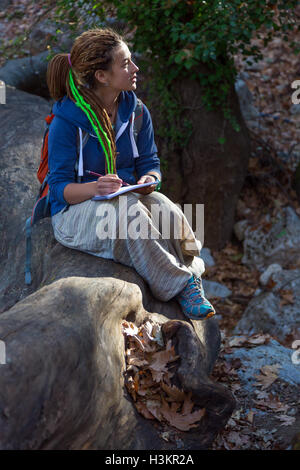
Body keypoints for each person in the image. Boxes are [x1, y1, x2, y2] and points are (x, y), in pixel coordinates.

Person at [46, 27, 215, 320]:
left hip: (128, 196)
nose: (135, 68)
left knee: (164, 207)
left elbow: (150, 162)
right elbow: (59, 188)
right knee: (129, 213)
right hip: (74, 214)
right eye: (125, 64)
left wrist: (150, 179)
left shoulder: (137, 112)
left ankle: (191, 269)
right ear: (102, 76)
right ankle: (182, 284)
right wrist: (95, 189)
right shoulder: (66, 121)